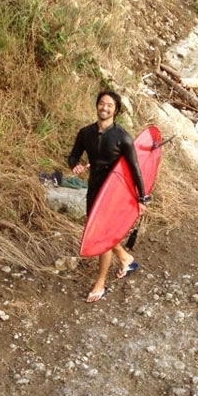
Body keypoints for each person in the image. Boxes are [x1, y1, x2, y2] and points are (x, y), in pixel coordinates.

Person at [68, 90, 149, 302]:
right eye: (102, 103)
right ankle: (125, 257)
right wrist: (75, 165)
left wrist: (142, 198)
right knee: (98, 230)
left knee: (103, 234)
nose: (104, 108)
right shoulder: (85, 133)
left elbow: (135, 169)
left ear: (116, 110)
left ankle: (100, 283)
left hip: (114, 193)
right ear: (97, 105)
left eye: (109, 105)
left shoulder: (123, 137)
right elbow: (73, 155)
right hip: (94, 189)